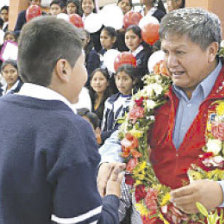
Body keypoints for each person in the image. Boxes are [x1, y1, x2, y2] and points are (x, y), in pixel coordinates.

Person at [98, 7, 224, 223]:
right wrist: (107, 160)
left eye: (180, 52)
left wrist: (221, 192)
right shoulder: (153, 94)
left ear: (211, 50)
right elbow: (122, 137)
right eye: (166, 52)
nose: (170, 63)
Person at [0, 16, 126, 224]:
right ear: (64, 69)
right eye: (83, 64)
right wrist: (112, 198)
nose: (86, 73)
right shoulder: (71, 130)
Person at [101, 64, 137, 143]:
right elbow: (104, 125)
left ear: (134, 80)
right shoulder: (110, 101)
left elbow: (122, 129)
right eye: (118, 78)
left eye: (125, 79)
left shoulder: (136, 101)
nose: (120, 83)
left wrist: (102, 136)